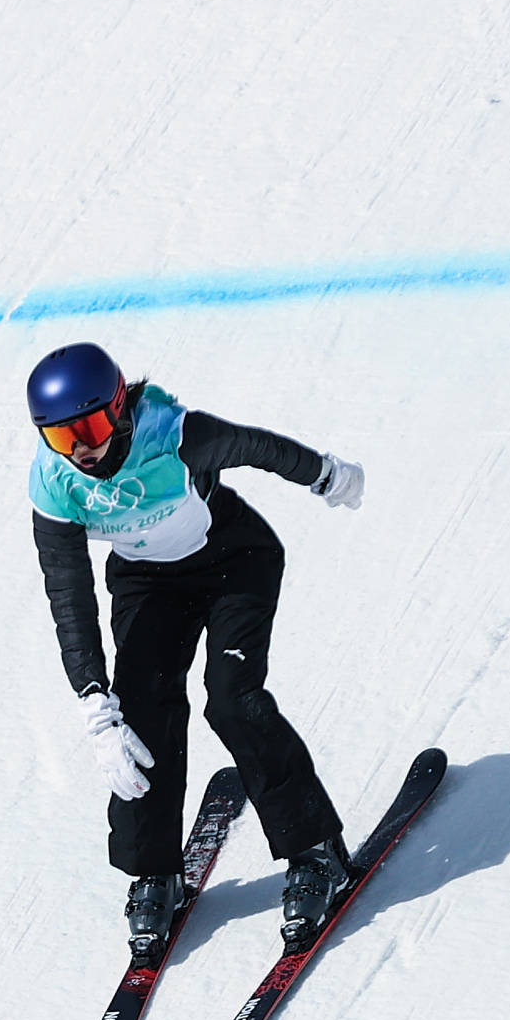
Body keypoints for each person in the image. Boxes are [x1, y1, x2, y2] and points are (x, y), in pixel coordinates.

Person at [25, 341, 367, 959]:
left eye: (93, 426)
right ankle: (154, 869)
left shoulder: (177, 437)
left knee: (233, 699)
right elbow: (68, 594)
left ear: (122, 406)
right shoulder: (55, 485)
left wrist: (325, 474)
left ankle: (316, 849)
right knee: (139, 712)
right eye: (61, 438)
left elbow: (260, 447)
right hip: (148, 583)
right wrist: (93, 704)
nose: (83, 449)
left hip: (234, 562)